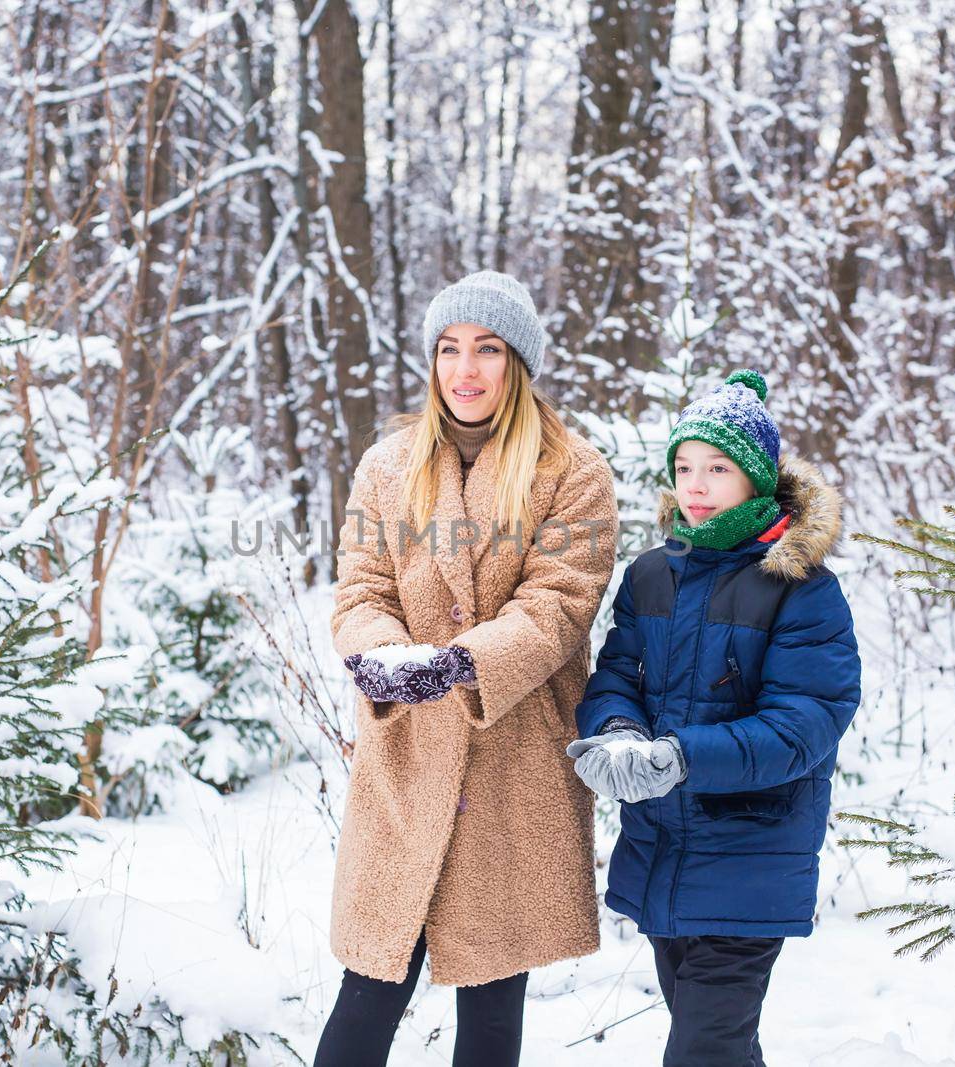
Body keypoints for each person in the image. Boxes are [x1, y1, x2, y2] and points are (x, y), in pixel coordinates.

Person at [314, 270, 618, 1067]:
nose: (466, 368)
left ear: (517, 362)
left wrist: (462, 663)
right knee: (367, 992)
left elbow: (559, 603)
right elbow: (361, 590)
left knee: (490, 1001)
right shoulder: (389, 466)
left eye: (486, 348)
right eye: (450, 349)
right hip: (409, 762)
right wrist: (383, 658)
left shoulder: (573, 471)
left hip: (512, 758)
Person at [567, 369, 862, 1067]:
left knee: (702, 1050)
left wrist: (680, 755)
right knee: (722, 1046)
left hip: (750, 855)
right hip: (665, 848)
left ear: (757, 479)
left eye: (717, 468)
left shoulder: (800, 587)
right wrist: (617, 729)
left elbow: (803, 725)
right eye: (685, 466)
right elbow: (617, 674)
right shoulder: (651, 574)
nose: (694, 485)